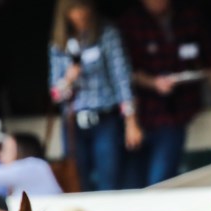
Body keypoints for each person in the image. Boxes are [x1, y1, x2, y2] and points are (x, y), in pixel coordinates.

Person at [118, 0, 211, 187]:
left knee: (160, 181)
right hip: (141, 113)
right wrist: (152, 83)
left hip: (177, 111)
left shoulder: (189, 15)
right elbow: (125, 72)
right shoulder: (131, 22)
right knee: (134, 183)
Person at [49, 0, 142, 191]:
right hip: (74, 123)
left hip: (104, 118)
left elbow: (121, 80)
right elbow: (55, 94)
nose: (79, 14)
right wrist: (68, 79)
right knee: (78, 182)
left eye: (83, 8)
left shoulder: (107, 34)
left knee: (109, 179)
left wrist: (131, 121)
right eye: (73, 10)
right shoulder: (59, 43)